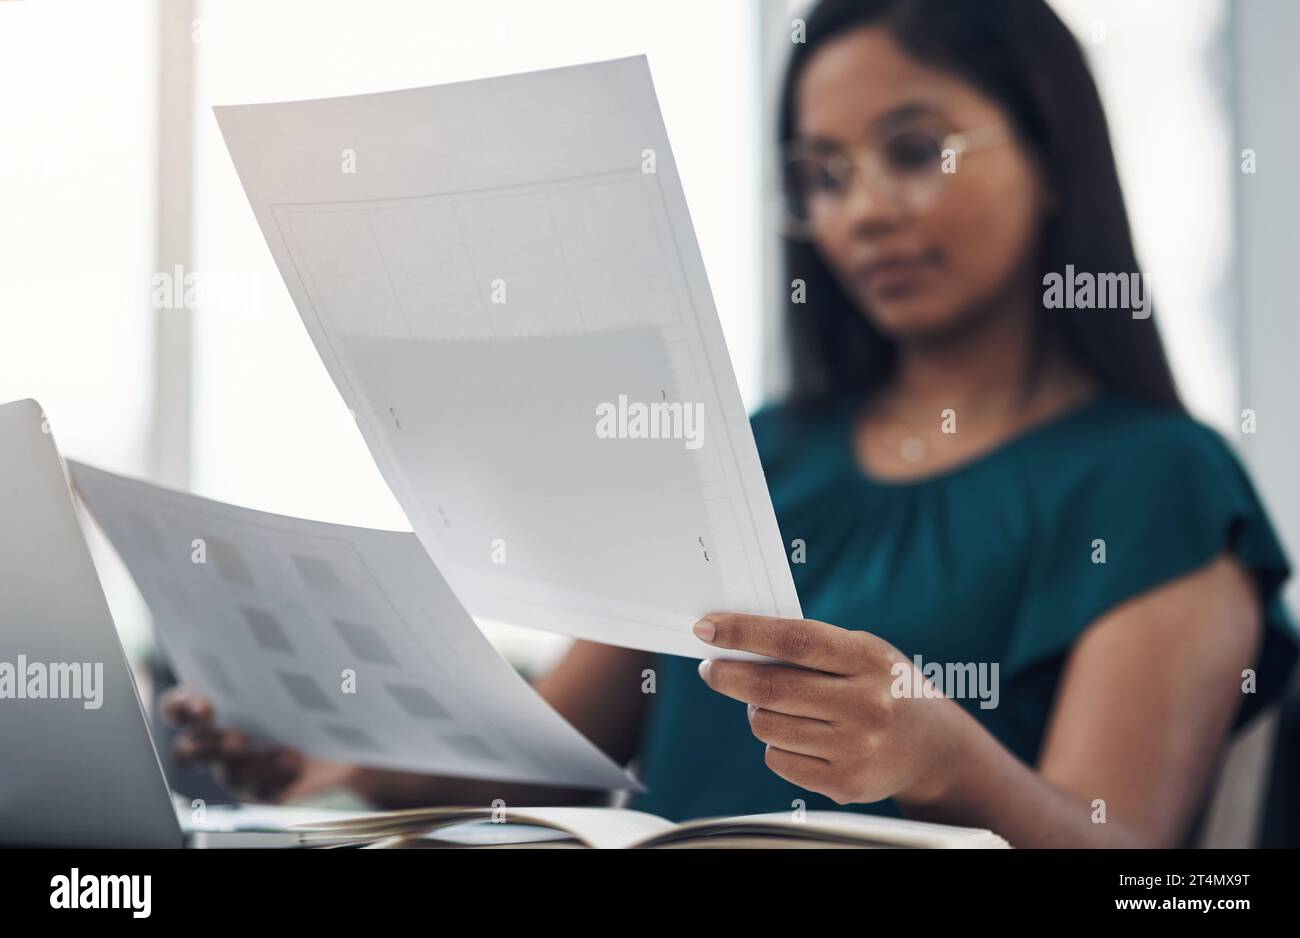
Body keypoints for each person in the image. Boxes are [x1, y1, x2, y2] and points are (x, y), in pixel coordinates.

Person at [164, 0, 1298, 847]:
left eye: (913, 150)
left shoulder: (1159, 481)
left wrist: (941, 755)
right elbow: (552, 758)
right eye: (822, 174)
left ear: (1052, 156)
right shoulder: (755, 449)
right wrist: (333, 756)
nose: (861, 211)